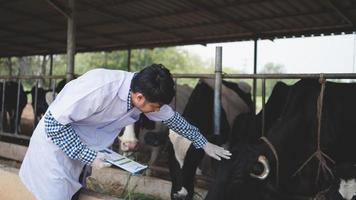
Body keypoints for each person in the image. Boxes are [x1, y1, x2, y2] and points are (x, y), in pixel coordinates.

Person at [19, 64, 231, 200]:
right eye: (155, 107)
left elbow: (173, 119)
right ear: (139, 97)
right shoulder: (99, 86)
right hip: (54, 152)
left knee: (74, 193)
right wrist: (88, 156)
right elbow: (54, 125)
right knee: (54, 195)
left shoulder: (142, 94)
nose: (157, 112)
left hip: (83, 152)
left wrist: (202, 142)